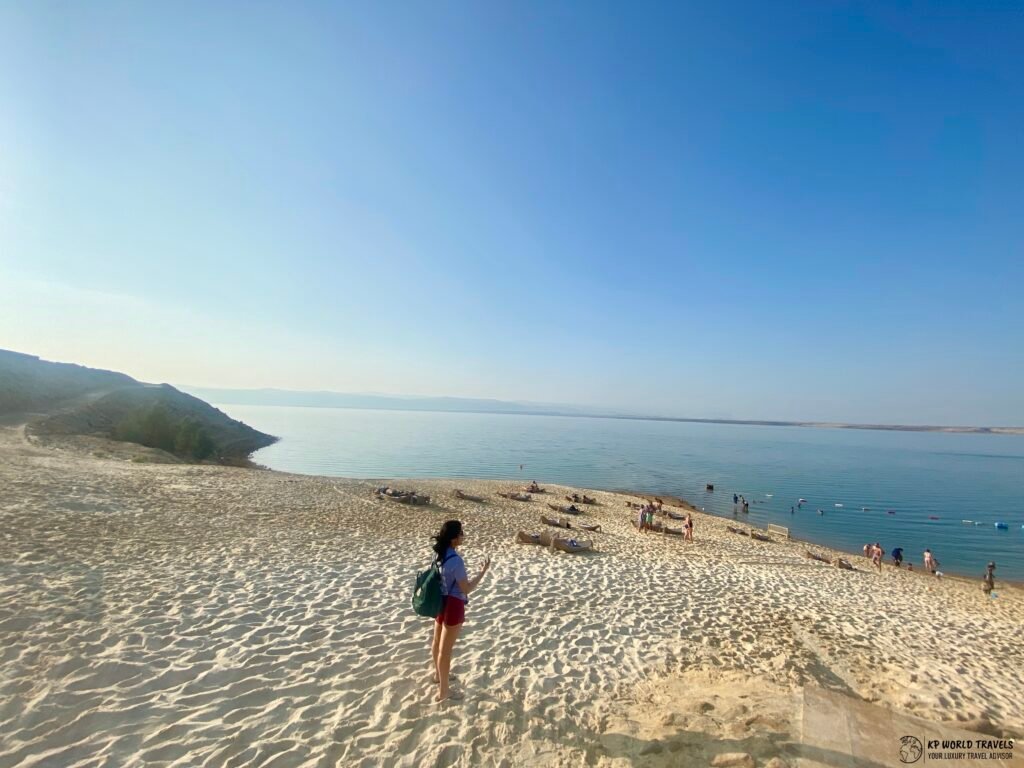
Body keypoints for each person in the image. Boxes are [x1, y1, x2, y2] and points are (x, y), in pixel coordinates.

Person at [431, 520, 490, 703]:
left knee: (437, 642)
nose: (463, 536)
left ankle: (438, 676)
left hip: (440, 602)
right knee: (445, 651)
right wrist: (482, 572)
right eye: (461, 533)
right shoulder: (456, 560)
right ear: (455, 538)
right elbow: (466, 588)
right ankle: (444, 692)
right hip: (454, 605)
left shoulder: (439, 555)